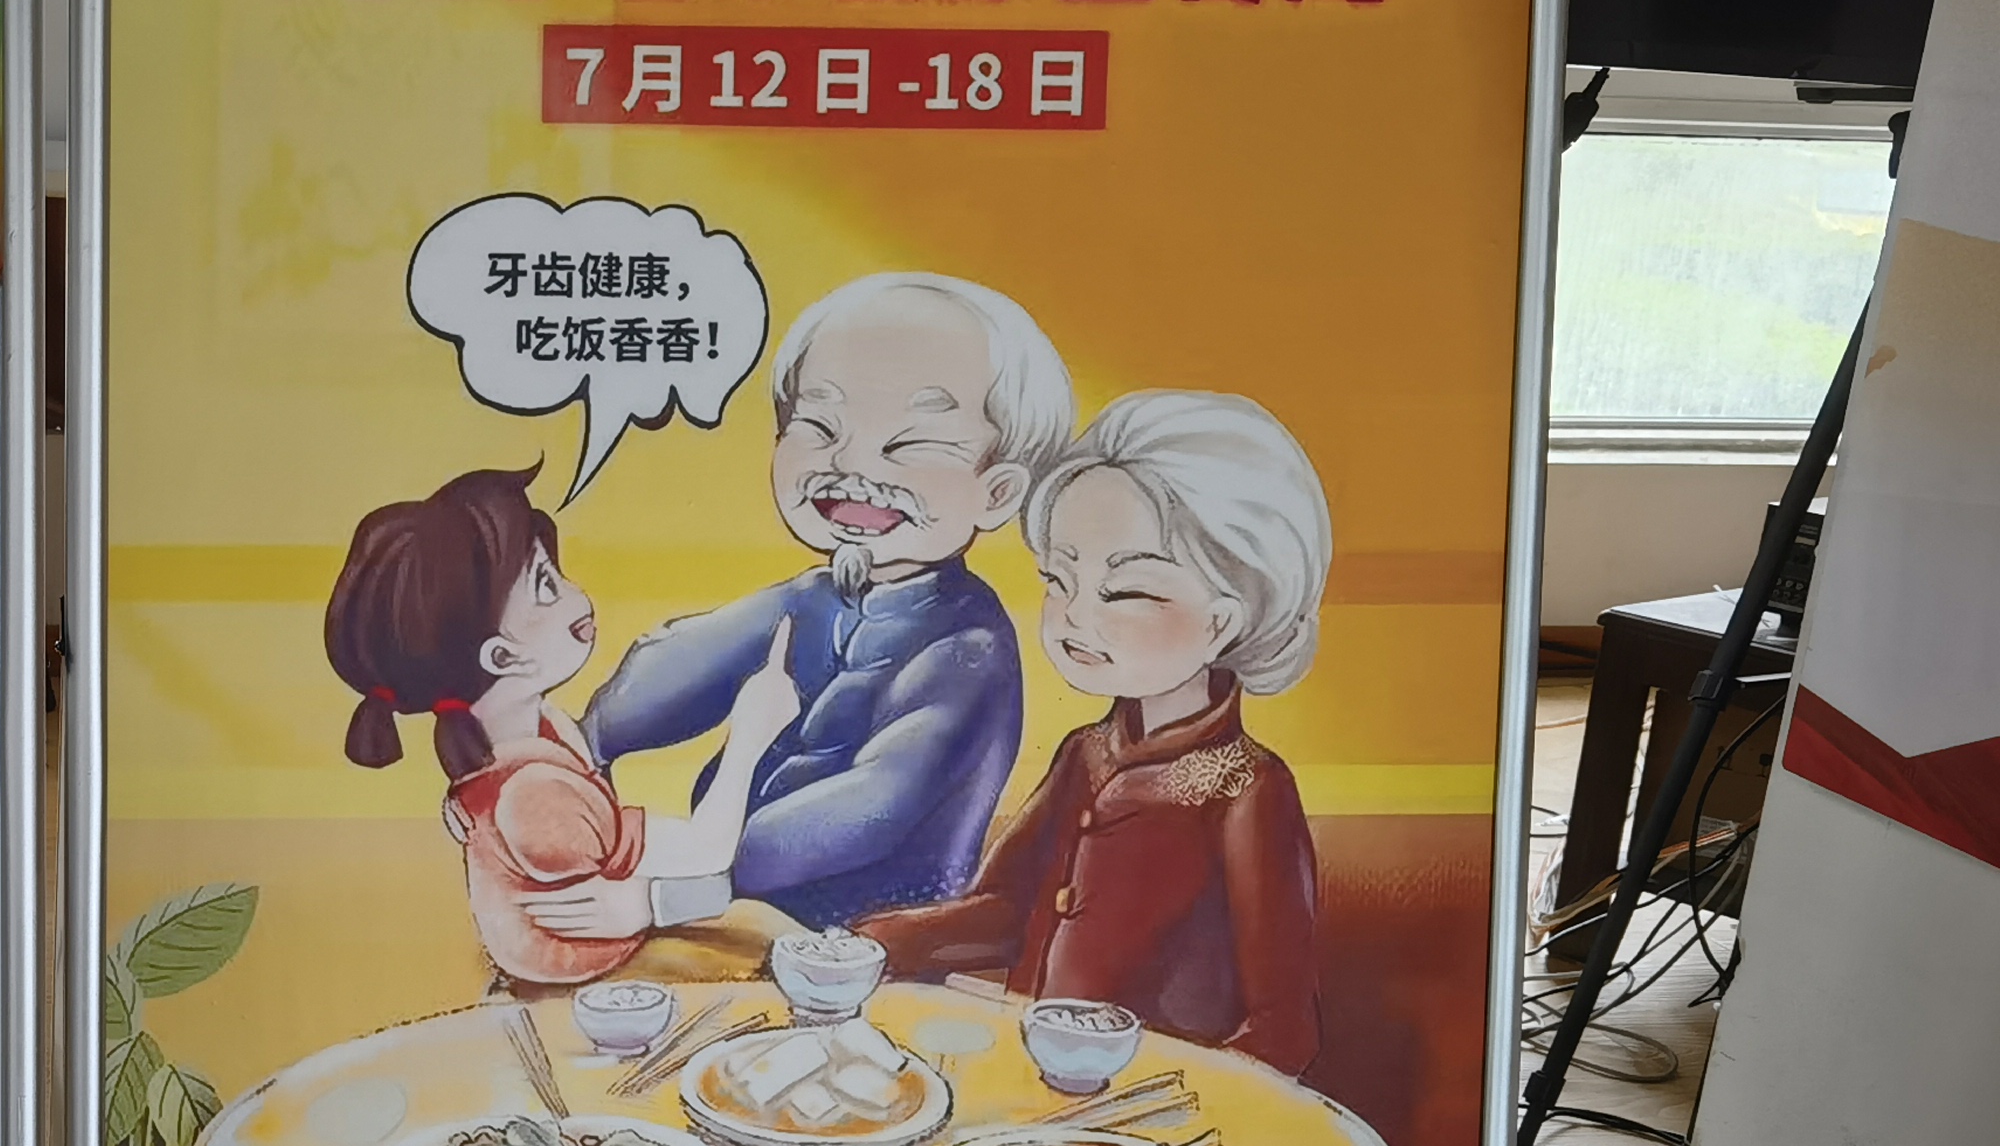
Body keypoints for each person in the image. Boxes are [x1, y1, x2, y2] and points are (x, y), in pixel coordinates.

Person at [533, 271, 1075, 944]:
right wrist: (571, 749)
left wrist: (669, 881)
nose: (851, 463)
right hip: (721, 891)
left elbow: (869, 809)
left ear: (996, 494)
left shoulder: (968, 648)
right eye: (818, 427)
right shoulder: (815, 597)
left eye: (910, 445)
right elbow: (673, 672)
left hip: (866, 935)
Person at [862, 388, 1332, 1076]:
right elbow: (1007, 909)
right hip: (1029, 1078)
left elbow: (1283, 1027)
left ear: (1222, 622)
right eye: (1059, 580)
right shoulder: (1086, 752)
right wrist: (885, 941)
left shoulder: (1247, 788)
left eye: (1124, 592)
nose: (1075, 616)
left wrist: (1184, 1095)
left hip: (1152, 1108)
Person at [324, 466, 799, 988]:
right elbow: (705, 850)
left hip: (613, 923)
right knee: (768, 940)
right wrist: (750, 734)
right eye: (546, 586)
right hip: (588, 973)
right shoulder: (533, 795)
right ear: (503, 656)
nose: (577, 596)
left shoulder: (525, 733)